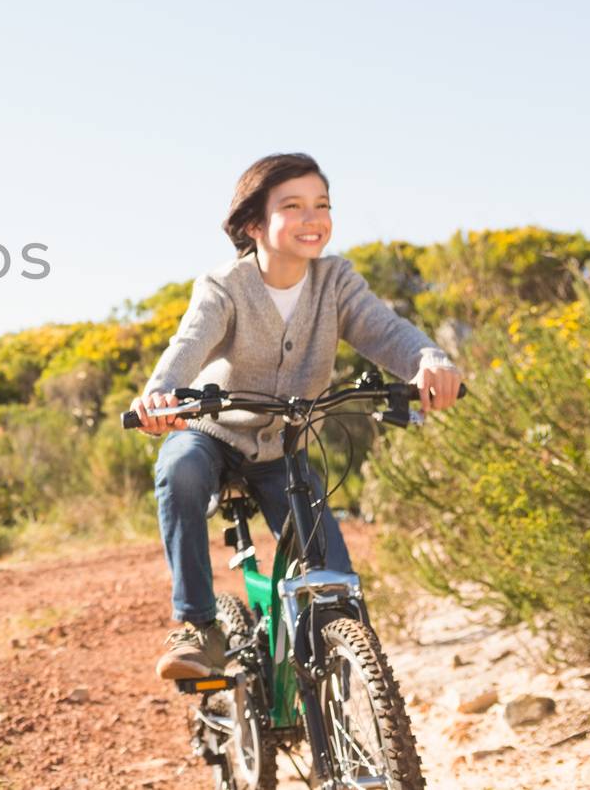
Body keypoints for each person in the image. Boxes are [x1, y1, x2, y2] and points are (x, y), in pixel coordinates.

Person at [129, 152, 461, 680]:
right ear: (255, 224)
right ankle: (198, 628)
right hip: (213, 433)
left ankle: (345, 691)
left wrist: (430, 361)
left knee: (333, 581)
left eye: (322, 205)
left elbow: (386, 331)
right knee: (181, 470)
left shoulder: (336, 281)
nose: (313, 218)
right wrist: (159, 396)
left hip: (285, 447)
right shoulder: (225, 287)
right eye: (293, 206)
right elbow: (186, 347)